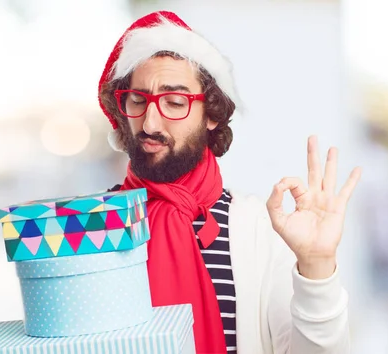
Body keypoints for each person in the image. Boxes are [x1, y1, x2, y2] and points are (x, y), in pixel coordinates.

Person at [98, 11, 361, 354]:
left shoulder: (260, 228)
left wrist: (317, 264)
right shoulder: (93, 224)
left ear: (211, 113)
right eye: (137, 101)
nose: (150, 123)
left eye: (174, 103)